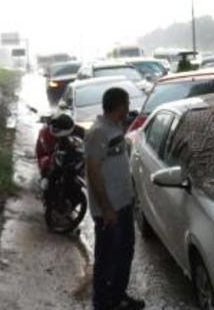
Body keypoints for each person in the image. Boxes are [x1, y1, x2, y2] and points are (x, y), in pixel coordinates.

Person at [84, 87, 144, 310]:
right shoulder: (98, 133)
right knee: (107, 258)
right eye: (126, 104)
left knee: (124, 253)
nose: (128, 109)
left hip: (123, 204)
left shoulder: (113, 128)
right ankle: (102, 303)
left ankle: (118, 297)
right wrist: (107, 208)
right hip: (110, 210)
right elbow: (93, 171)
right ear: (120, 105)